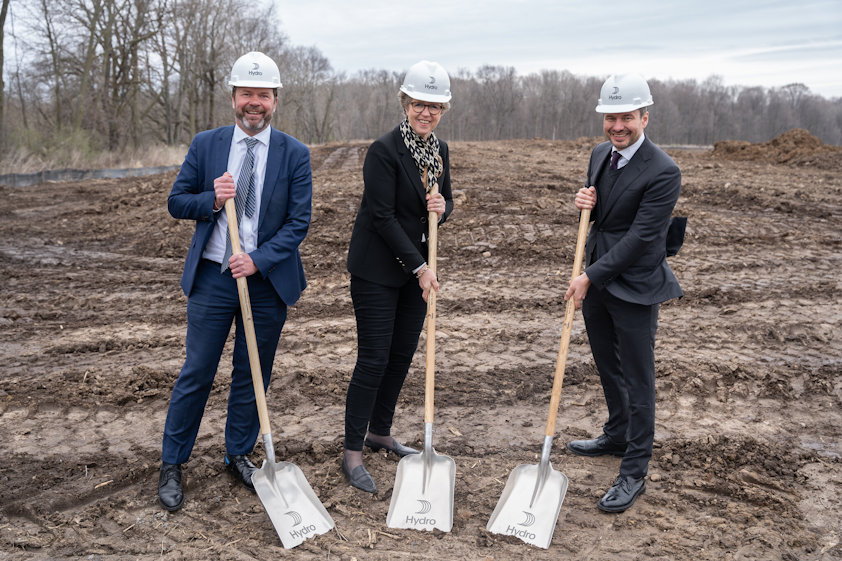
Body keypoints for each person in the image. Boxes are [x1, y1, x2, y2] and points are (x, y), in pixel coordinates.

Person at [157, 51, 312, 512]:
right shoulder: (206, 145)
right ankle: (172, 462)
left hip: (265, 282)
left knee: (252, 372)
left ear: (275, 101)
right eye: (247, 93)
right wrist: (212, 197)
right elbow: (176, 202)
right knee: (197, 370)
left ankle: (238, 453)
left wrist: (258, 260)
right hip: (212, 278)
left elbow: (298, 223)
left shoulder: (294, 153)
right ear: (233, 98)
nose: (254, 103)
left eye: (263, 95)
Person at [564, 73, 683, 513]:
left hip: (633, 284)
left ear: (644, 117)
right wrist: (583, 202)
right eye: (611, 117)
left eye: (627, 117)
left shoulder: (664, 170)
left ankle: (634, 469)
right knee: (606, 364)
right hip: (596, 276)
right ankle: (617, 434)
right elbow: (604, 216)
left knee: (638, 377)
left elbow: (639, 237)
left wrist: (589, 276)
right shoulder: (600, 154)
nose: (618, 125)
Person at [342, 60, 454, 493]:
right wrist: (422, 267)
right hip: (376, 270)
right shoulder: (384, 150)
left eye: (435, 107)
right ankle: (353, 451)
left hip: (414, 273)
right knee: (373, 358)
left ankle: (380, 432)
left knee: (402, 354)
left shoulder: (439, 152)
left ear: (443, 110)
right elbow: (384, 218)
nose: (426, 113)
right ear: (405, 103)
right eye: (419, 104)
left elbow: (441, 209)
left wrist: (444, 209)